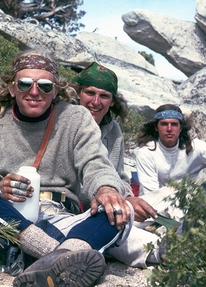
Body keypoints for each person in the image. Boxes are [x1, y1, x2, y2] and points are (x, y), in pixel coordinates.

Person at [0, 51, 133, 287]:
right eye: (25, 84)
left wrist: (106, 188)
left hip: (59, 218)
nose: (34, 92)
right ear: (12, 88)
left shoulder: (76, 118)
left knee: (120, 207)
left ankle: (49, 257)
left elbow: (95, 162)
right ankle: (59, 256)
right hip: (4, 222)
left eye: (45, 86)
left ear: (56, 90)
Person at [71, 62, 162, 268]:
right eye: (90, 93)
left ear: (112, 101)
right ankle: (166, 250)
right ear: (78, 94)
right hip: (84, 210)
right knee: (135, 241)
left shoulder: (113, 131)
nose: (95, 101)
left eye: (104, 96)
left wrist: (129, 198)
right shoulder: (65, 122)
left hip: (112, 204)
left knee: (162, 201)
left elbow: (119, 175)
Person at [135, 104, 206, 219]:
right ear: (156, 127)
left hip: (190, 202)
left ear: (180, 128)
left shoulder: (195, 147)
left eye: (174, 124)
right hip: (157, 208)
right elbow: (153, 197)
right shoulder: (146, 153)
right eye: (164, 124)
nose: (169, 129)